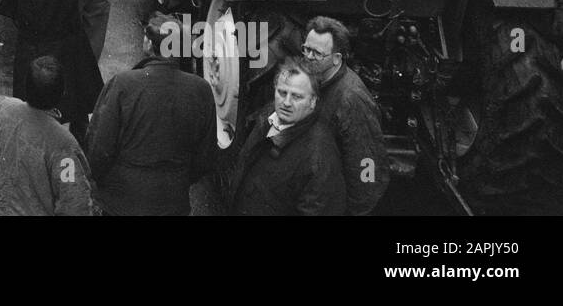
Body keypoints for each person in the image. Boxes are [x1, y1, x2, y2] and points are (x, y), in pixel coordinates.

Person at [85, 14, 217, 215]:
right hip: (173, 203)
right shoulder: (201, 90)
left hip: (121, 203)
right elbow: (205, 158)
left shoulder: (122, 84)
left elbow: (99, 149)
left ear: (148, 44)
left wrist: (104, 186)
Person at [0, 0, 102, 140]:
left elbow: (10, 6)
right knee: (76, 97)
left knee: (33, 104)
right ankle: (80, 141)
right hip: (69, 39)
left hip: (34, 44)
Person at [230, 59, 346, 216]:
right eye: (282, 93)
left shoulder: (320, 157)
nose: (286, 103)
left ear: (313, 101)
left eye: (297, 97)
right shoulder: (268, 116)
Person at [0, 55, 95, 216]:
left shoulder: (5, 109)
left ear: (26, 86)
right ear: (62, 92)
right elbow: (75, 205)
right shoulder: (63, 143)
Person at [302, 16, 389, 215]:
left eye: (317, 53)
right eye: (306, 49)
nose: (308, 57)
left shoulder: (351, 99)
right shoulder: (316, 78)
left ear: (337, 58)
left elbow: (367, 165)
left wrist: (356, 211)